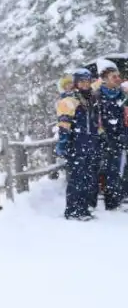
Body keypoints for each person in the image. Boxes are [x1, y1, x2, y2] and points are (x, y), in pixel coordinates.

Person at [55, 66, 102, 220]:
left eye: (87, 81)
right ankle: (73, 210)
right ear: (75, 82)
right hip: (77, 144)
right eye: (81, 81)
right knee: (77, 178)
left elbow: (95, 123)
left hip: (91, 143)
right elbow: (64, 125)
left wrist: (100, 137)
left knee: (88, 178)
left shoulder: (91, 98)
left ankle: (84, 208)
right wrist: (63, 143)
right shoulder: (70, 100)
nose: (85, 84)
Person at [97, 61, 125, 211]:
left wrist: (122, 133)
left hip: (120, 136)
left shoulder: (121, 94)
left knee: (120, 168)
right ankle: (111, 201)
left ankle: (119, 197)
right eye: (113, 76)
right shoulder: (98, 95)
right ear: (105, 78)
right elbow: (97, 117)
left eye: (118, 76)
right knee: (108, 169)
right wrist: (103, 134)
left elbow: (123, 115)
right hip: (105, 137)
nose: (117, 79)